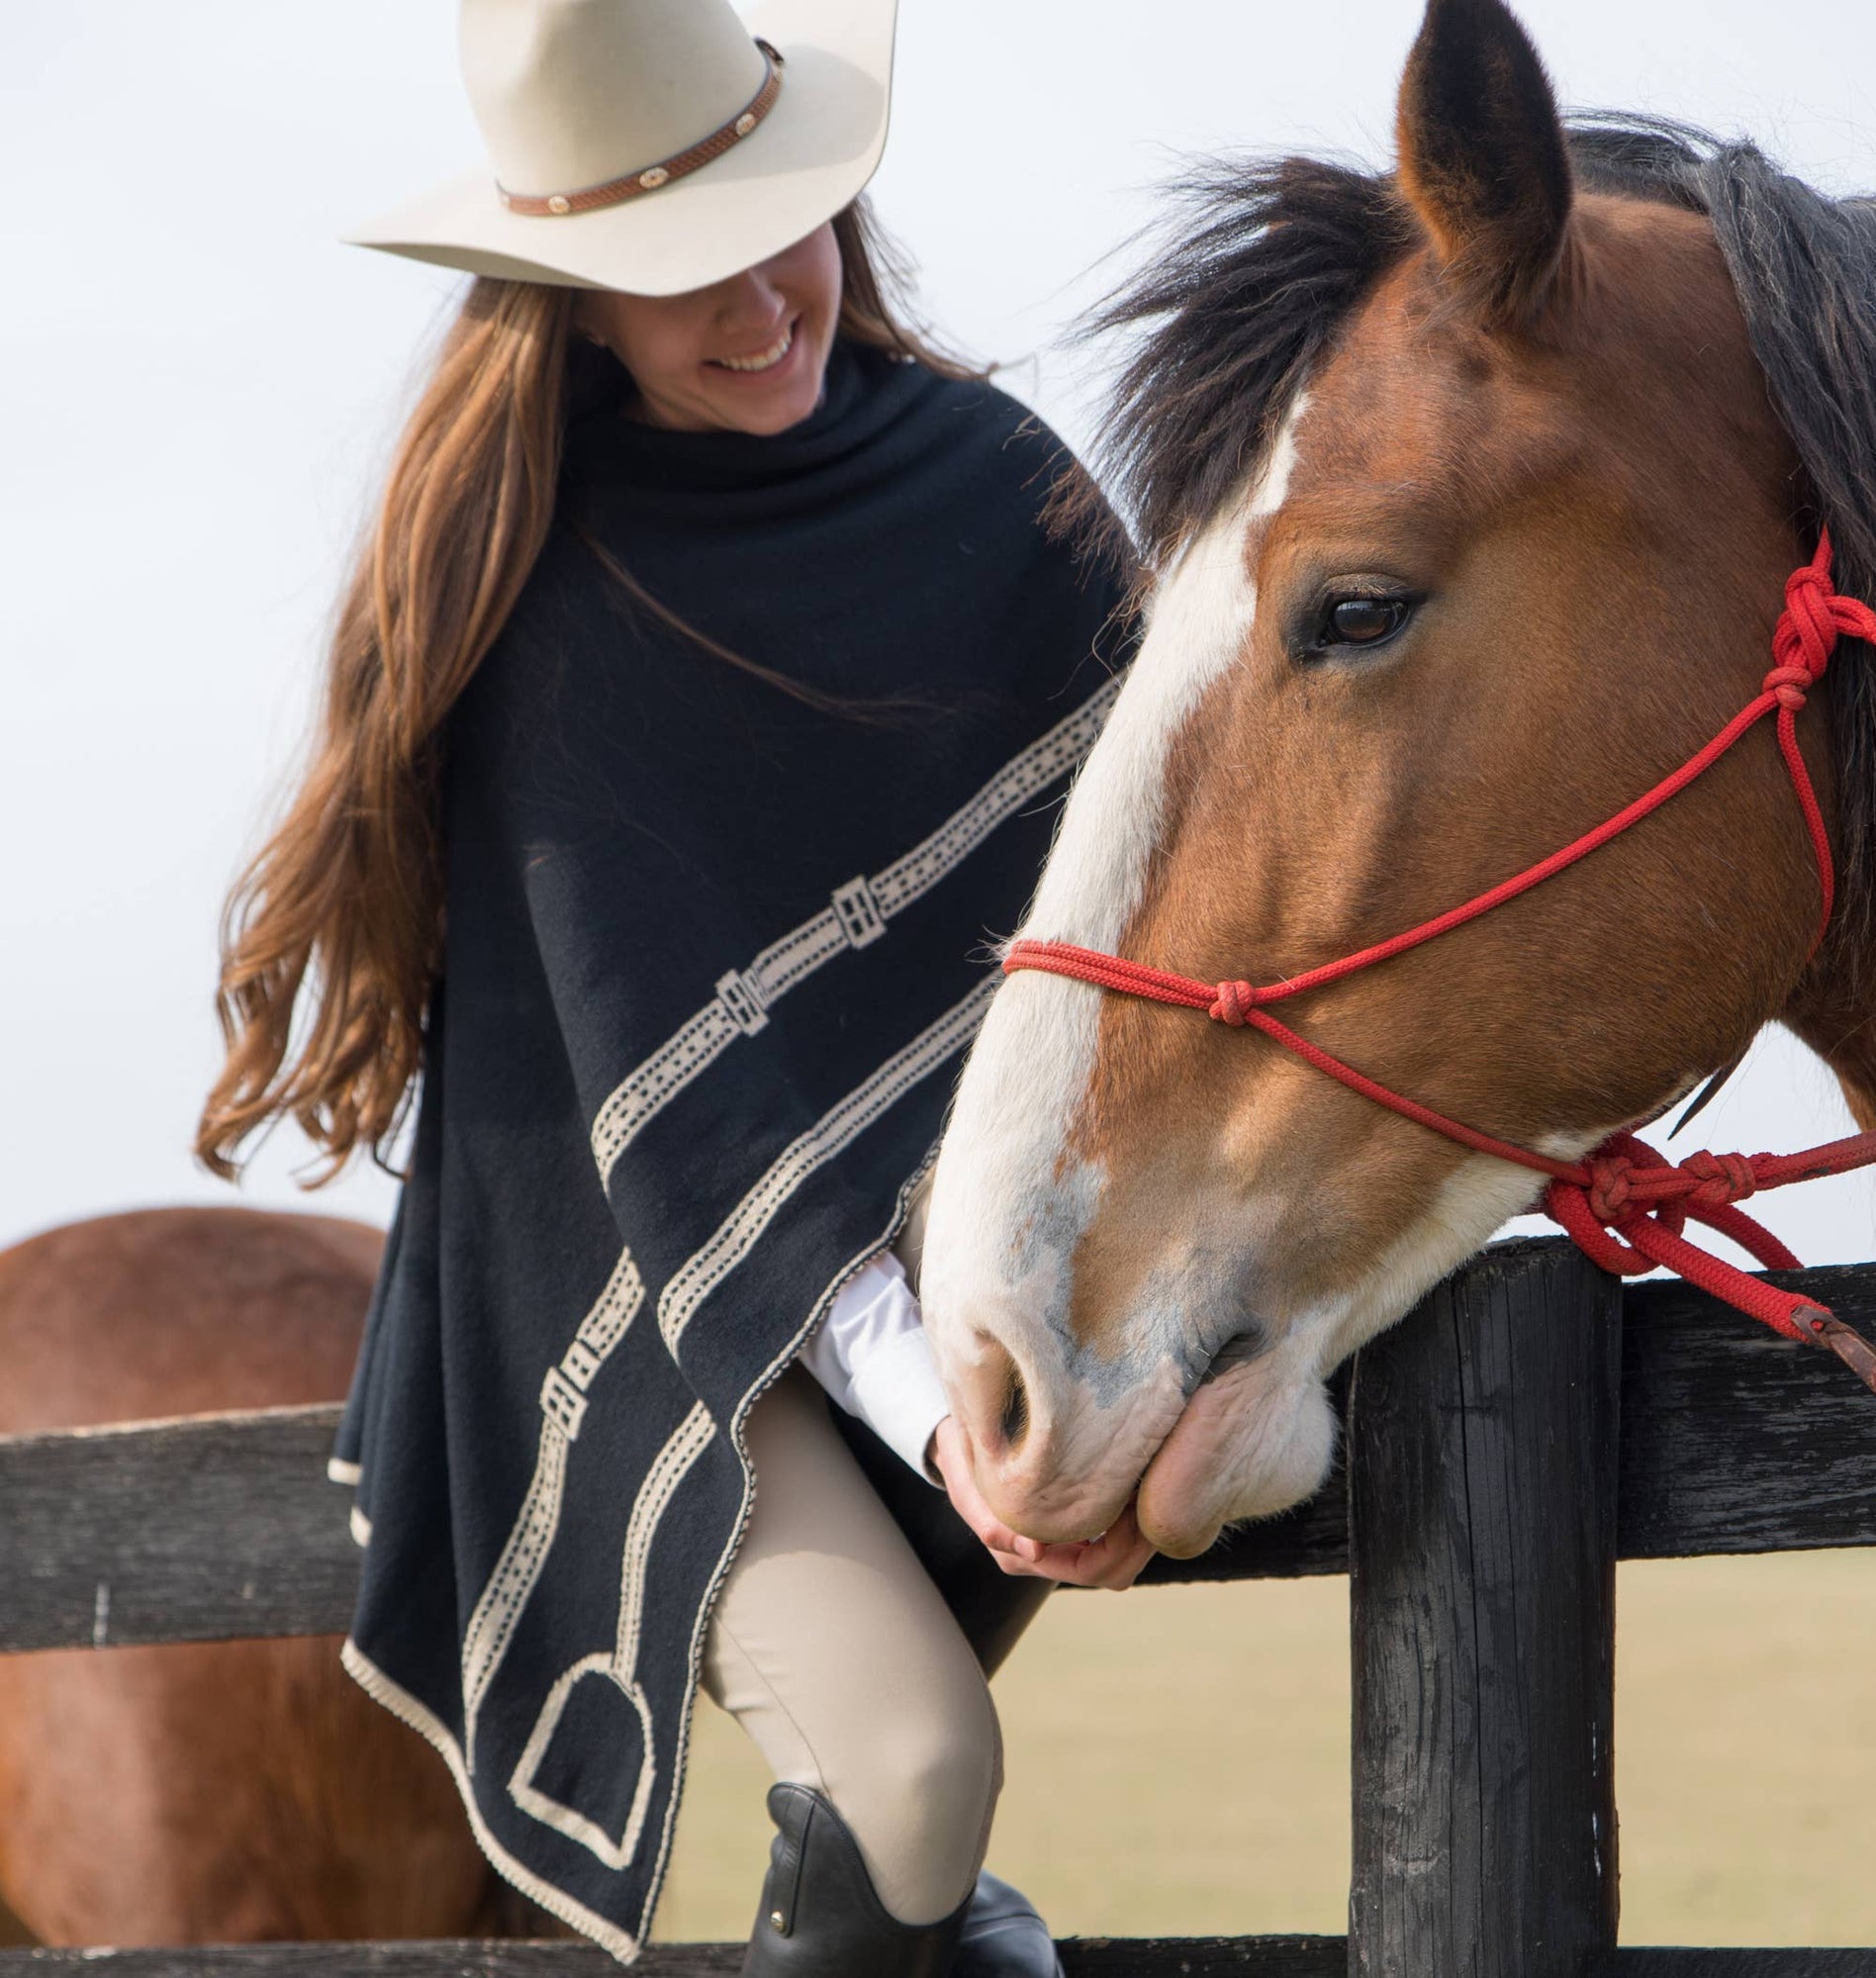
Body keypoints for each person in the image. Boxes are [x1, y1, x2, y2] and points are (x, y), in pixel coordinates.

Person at [194, 0, 1150, 1971]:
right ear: (574, 309)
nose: (748, 306)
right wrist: (936, 1400)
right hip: (663, 1297)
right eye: (666, 276)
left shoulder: (997, 477)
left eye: (768, 228)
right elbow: (684, 1118)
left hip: (998, 1225)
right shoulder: (558, 611)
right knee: (905, 1772)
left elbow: (1184, 880)